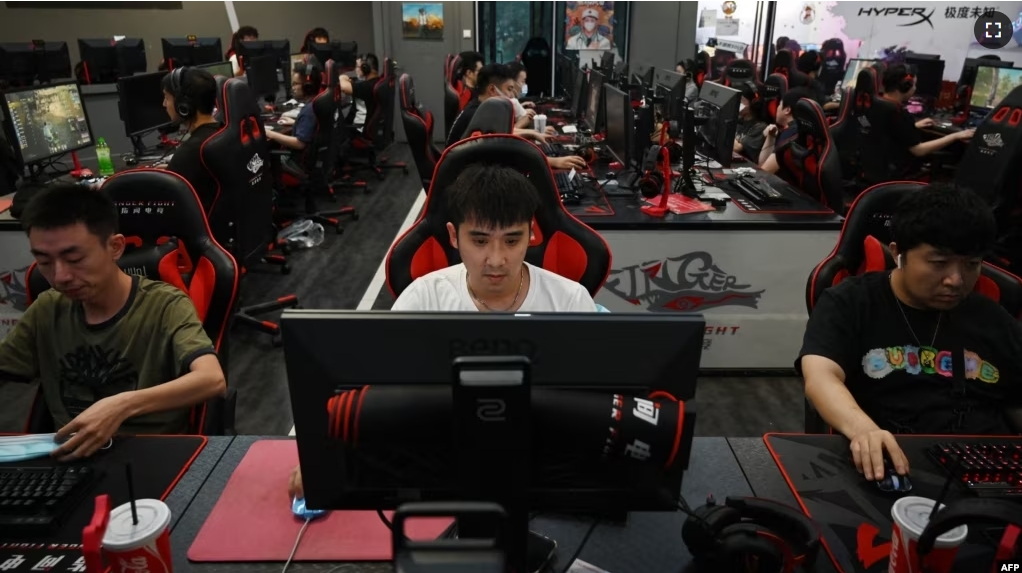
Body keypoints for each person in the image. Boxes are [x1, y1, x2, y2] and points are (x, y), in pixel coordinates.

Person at [287, 163, 598, 498]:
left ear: (531, 233)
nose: (496, 259)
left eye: (511, 240)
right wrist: (329, 451)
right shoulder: (424, 297)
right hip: (435, 461)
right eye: (479, 240)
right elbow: (378, 394)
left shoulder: (569, 299)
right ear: (454, 236)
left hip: (542, 466)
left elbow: (588, 409)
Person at [798, 184, 1022, 481]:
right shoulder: (852, 302)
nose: (956, 280)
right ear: (898, 254)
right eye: (939, 263)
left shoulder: (991, 317)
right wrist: (864, 430)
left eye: (971, 265)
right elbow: (820, 375)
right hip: (894, 460)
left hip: (983, 466)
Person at [0, 185, 226, 460]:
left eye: (74, 259)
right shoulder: (48, 308)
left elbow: (211, 380)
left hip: (148, 455)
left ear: (115, 247)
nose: (60, 277)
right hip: (70, 459)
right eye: (44, 261)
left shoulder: (164, 305)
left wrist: (121, 406)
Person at [446, 64, 584, 172]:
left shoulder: (482, 107)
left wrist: (532, 133)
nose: (512, 96)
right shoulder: (478, 115)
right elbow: (506, 152)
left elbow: (502, 135)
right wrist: (553, 162)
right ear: (492, 90)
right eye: (509, 89)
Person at [162, 67, 221, 213]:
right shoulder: (223, 133)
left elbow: (167, 203)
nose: (164, 104)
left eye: (167, 98)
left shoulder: (191, 152)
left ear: (184, 106)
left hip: (202, 230)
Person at [266, 62, 321, 153]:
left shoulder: (308, 110)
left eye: (295, 84)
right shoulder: (317, 101)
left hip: (297, 160)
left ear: (308, 87)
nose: (293, 88)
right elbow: (314, 126)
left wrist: (270, 134)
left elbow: (299, 143)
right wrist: (296, 123)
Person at [758, 88, 807, 173]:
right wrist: (771, 137)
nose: (777, 108)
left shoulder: (792, 134)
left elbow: (764, 172)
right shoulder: (790, 130)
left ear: (787, 110)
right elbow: (762, 163)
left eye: (779, 105)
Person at [340, 53, 380, 132]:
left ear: (365, 68)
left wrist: (342, 77)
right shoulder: (377, 83)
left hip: (358, 131)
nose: (356, 69)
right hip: (369, 127)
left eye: (358, 67)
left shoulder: (367, 87)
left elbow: (344, 87)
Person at [733, 83, 768, 163]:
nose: (737, 103)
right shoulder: (738, 120)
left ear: (753, 103)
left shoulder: (760, 127)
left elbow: (737, 148)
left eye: (741, 100)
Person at [506, 61, 536, 129]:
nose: (524, 85)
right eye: (523, 81)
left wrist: (521, 106)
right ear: (512, 81)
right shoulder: (512, 102)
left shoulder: (510, 103)